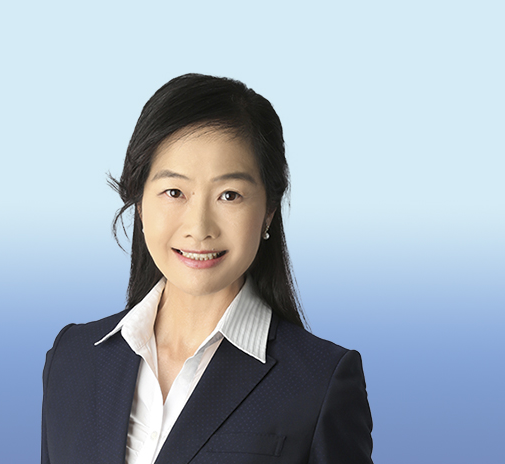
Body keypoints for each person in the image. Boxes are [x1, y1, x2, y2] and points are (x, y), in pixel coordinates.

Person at [41, 74, 373, 464]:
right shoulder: (73, 358)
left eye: (229, 195)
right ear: (140, 202)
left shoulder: (319, 383)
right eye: (174, 192)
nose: (199, 228)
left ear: (268, 211)